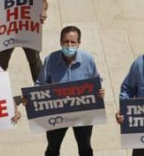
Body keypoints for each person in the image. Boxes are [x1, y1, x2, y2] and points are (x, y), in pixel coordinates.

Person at [34, 26, 105, 156]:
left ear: (79, 43)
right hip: (57, 113)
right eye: (66, 41)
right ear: (61, 42)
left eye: (73, 42)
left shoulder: (88, 59)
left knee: (85, 148)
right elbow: (40, 83)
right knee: (52, 147)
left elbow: (96, 80)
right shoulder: (50, 59)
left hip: (83, 113)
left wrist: (99, 91)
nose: (69, 45)